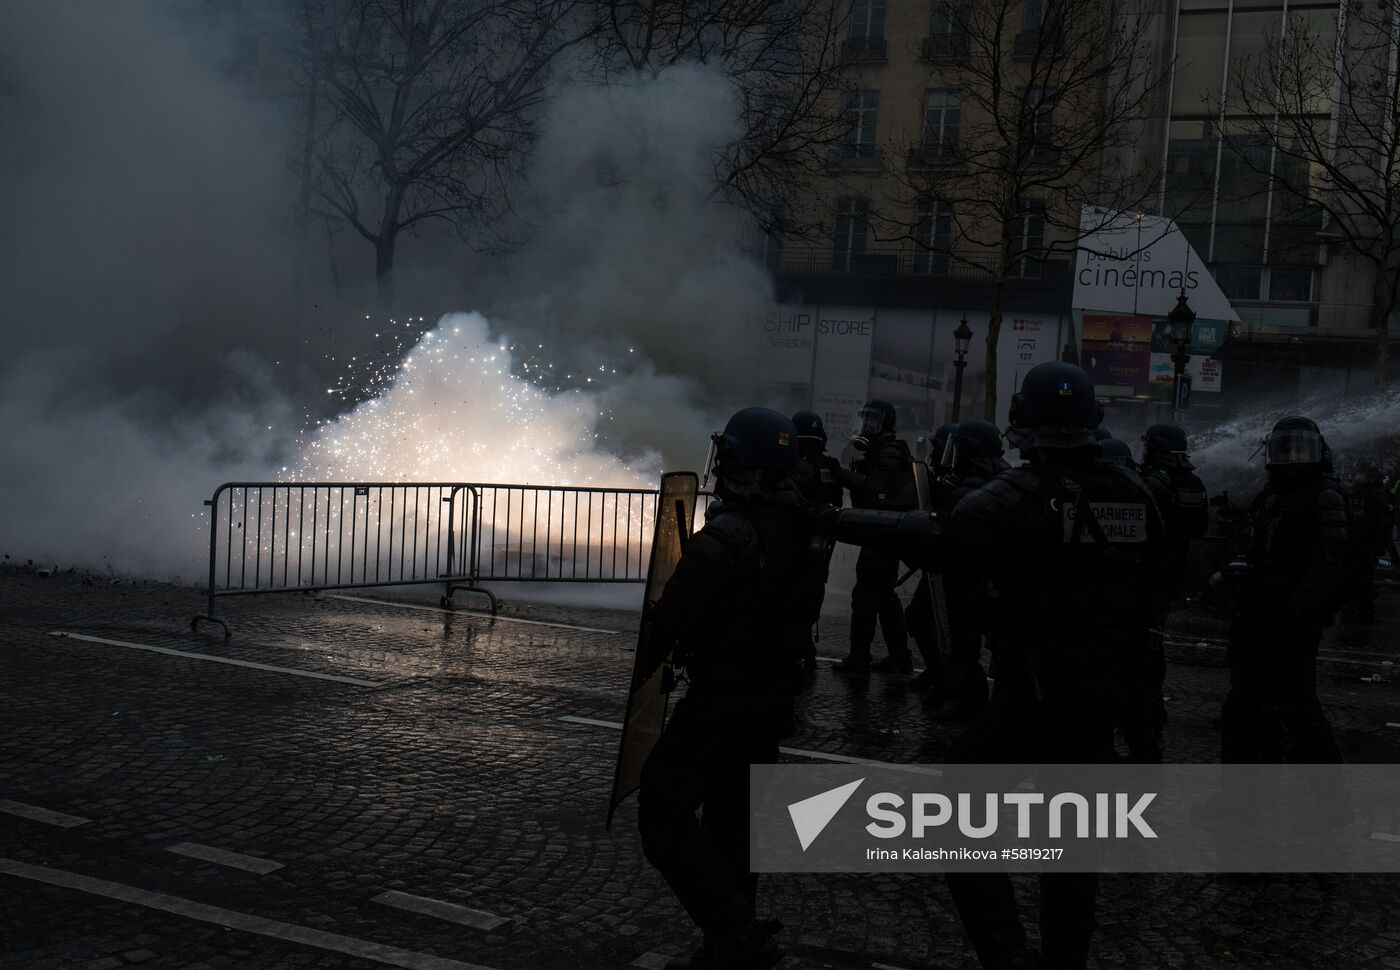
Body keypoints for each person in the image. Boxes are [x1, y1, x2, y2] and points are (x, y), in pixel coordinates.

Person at [829, 362, 1166, 969]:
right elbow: (1154, 595)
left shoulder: (1010, 498)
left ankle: (1007, 956)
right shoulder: (1136, 496)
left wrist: (835, 520)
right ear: (1092, 420)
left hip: (1030, 694)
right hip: (1101, 698)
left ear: (1022, 423)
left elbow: (937, 541)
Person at [638, 407, 821, 970]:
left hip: (723, 697)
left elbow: (671, 620)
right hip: (771, 699)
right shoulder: (803, 530)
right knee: (734, 823)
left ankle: (740, 937)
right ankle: (728, 947)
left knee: (663, 814)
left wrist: (648, 659)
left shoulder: (730, 533)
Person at [1216, 415, 1346, 765]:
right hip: (1259, 615)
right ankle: (1245, 796)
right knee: (1246, 706)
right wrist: (1234, 567)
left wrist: (1298, 613)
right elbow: (1259, 547)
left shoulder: (1325, 496)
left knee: (1297, 708)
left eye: (1300, 451)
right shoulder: (1273, 496)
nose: (1291, 459)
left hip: (1290, 621)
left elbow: (1332, 561)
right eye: (1284, 450)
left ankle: (1330, 800)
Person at [920, 419, 1008, 720]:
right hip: (992, 577)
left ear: (970, 452)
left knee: (962, 641)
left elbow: (946, 530)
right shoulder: (1004, 479)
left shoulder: (968, 489)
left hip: (968, 576)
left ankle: (968, 697)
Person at [1136, 424, 1209, 754]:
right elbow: (1201, 526)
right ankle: (1153, 707)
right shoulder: (1194, 483)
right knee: (1154, 638)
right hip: (1175, 571)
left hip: (1148, 571)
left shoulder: (1154, 483)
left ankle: (1146, 712)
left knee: (1142, 644)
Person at [834, 400, 917, 676]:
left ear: (885, 423)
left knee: (866, 594)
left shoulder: (889, 453)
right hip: (883, 532)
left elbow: (875, 491)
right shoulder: (882, 450)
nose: (867, 425)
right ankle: (899, 656)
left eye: (873, 420)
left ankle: (860, 657)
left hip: (882, 534)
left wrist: (840, 475)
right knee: (884, 596)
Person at [790, 410, 846, 670]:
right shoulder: (829, 465)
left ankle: (797, 648)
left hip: (798, 541)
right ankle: (805, 650)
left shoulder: (799, 467)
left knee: (794, 592)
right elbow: (837, 500)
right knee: (813, 592)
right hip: (822, 542)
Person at [906, 421, 960, 692]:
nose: (940, 454)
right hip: (937, 565)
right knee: (918, 618)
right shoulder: (945, 481)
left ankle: (950, 684)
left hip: (956, 570)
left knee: (955, 634)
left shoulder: (968, 487)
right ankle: (938, 673)